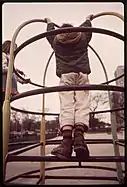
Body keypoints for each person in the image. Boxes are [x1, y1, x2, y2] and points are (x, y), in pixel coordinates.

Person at [45, 14, 93, 159]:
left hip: (65, 76)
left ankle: (66, 143)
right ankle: (79, 138)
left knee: (67, 105)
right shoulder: (82, 38)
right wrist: (88, 19)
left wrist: (49, 22)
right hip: (82, 75)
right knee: (82, 104)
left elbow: (49, 33)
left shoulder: (56, 41)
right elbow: (87, 29)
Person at [2, 40, 30, 105]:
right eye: (14, 49)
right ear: (9, 47)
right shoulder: (3, 55)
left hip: (10, 86)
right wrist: (15, 70)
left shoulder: (11, 59)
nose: (15, 51)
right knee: (4, 101)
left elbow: (14, 75)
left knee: (6, 103)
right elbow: (3, 68)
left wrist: (24, 80)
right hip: (5, 85)